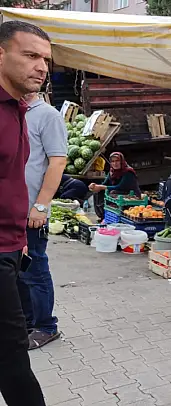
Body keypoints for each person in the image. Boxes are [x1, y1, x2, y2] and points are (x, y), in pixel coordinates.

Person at [0, 20, 50, 406]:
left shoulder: (19, 108)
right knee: (13, 357)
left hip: (12, 246)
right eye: (31, 55)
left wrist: (20, 238)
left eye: (46, 59)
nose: (42, 67)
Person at [19, 91, 67, 350]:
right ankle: (26, 323)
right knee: (16, 272)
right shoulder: (11, 111)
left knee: (34, 271)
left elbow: (57, 162)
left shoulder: (47, 115)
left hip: (32, 212)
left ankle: (46, 326)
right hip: (11, 210)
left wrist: (41, 205)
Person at [89, 152, 142, 219]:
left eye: (117, 161)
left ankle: (117, 214)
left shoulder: (128, 172)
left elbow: (120, 186)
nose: (115, 163)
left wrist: (102, 187)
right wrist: (95, 186)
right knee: (97, 192)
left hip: (131, 194)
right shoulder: (112, 171)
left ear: (121, 161)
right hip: (117, 192)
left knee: (112, 192)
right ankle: (102, 215)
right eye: (113, 161)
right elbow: (105, 184)